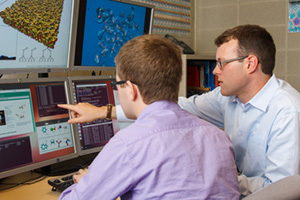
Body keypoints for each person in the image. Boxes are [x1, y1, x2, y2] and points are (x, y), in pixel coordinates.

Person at [64, 24, 300, 197]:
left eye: (221, 63)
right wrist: (104, 112)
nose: (216, 71)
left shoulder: (288, 110)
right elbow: (175, 107)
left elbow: (282, 189)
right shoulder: (225, 107)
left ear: (250, 64)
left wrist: (221, 177)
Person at [58, 35, 240, 199]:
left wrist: (86, 183)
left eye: (117, 84)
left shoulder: (128, 145)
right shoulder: (220, 138)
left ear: (131, 89)